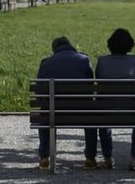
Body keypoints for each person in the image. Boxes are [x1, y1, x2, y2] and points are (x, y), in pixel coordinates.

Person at [36, 36, 97, 171]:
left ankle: (45, 157)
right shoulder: (84, 60)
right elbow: (90, 85)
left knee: (44, 111)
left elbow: (40, 91)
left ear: (54, 49)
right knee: (91, 114)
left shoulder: (46, 63)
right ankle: (90, 159)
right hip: (81, 112)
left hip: (54, 112)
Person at [94, 28, 135, 171]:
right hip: (132, 112)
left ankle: (108, 158)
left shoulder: (102, 61)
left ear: (110, 44)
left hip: (107, 111)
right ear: (129, 45)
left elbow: (99, 79)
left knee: (103, 118)